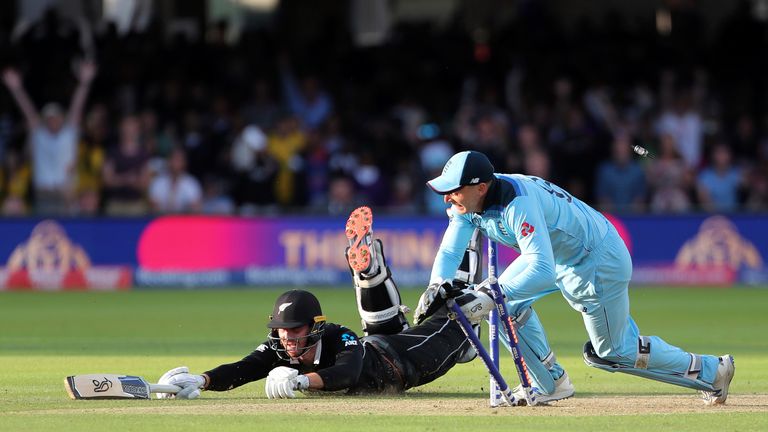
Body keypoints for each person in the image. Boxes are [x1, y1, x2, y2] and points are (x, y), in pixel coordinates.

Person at [424, 150, 735, 406]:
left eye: (454, 190)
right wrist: (436, 284)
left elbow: (541, 268)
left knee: (612, 353)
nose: (447, 198)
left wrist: (488, 297)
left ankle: (714, 371)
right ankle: (549, 383)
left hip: (595, 260)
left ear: (481, 187)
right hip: (560, 256)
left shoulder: (516, 204)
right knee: (501, 303)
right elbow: (452, 251)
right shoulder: (470, 203)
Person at [156, 207, 493, 399]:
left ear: (314, 327)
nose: (286, 338)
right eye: (281, 330)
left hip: (405, 361)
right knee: (384, 315)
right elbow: (243, 368)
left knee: (457, 310)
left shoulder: (338, 336)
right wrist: (200, 381)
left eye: (294, 329)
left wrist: (302, 380)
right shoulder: (281, 346)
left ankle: (469, 230)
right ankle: (369, 273)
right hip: (383, 337)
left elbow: (347, 373)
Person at [2, 60, 96, 214]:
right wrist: (16, 88)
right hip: (43, 196)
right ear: (45, 120)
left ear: (62, 119)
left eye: (57, 117)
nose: (53, 121)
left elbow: (77, 107)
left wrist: (84, 83)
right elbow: (29, 112)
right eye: (49, 118)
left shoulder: (68, 135)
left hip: (67, 197)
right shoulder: (40, 137)